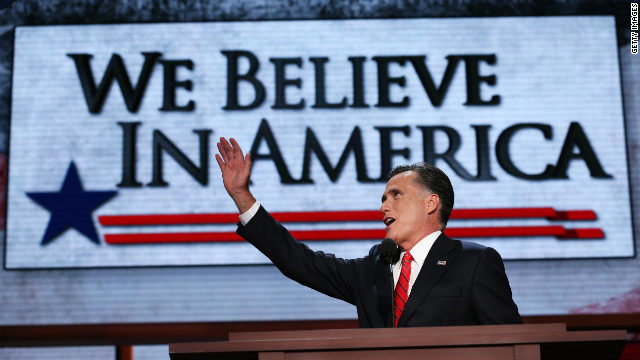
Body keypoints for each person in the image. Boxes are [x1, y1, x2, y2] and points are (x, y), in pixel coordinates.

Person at [215, 137, 522, 328]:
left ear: (432, 203)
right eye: (383, 199)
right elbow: (298, 261)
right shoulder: (375, 268)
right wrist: (242, 195)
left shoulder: (475, 262)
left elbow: (511, 342)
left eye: (396, 195)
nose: (383, 207)